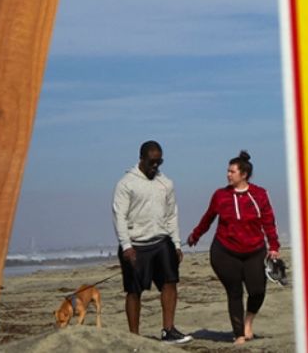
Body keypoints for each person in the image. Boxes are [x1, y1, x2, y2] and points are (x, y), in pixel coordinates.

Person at [186, 150, 282, 344]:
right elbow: (208, 218)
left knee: (257, 291)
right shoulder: (220, 195)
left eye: (232, 171)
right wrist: (195, 235)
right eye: (228, 171)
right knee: (235, 292)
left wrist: (273, 246)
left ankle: (248, 322)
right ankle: (239, 334)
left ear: (243, 174)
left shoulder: (259, 194)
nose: (228, 175)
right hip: (225, 251)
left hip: (254, 251)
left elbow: (269, 221)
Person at [112, 140, 191, 344]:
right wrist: (126, 246)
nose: (155, 166)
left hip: (161, 241)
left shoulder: (166, 183)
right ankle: (134, 337)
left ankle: (168, 330)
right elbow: (119, 216)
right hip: (136, 245)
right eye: (151, 162)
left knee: (170, 283)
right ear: (142, 159)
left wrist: (176, 244)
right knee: (134, 291)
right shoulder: (126, 183)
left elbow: (172, 214)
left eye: (159, 162)